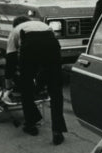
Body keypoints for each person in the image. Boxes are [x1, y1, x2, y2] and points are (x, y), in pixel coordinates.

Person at [5, 16, 67, 144]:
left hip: (30, 46)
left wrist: (8, 78)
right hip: (52, 46)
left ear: (15, 24)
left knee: (25, 87)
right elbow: (51, 48)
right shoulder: (42, 25)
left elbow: (11, 57)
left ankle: (31, 124)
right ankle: (57, 131)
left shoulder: (16, 30)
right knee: (56, 92)